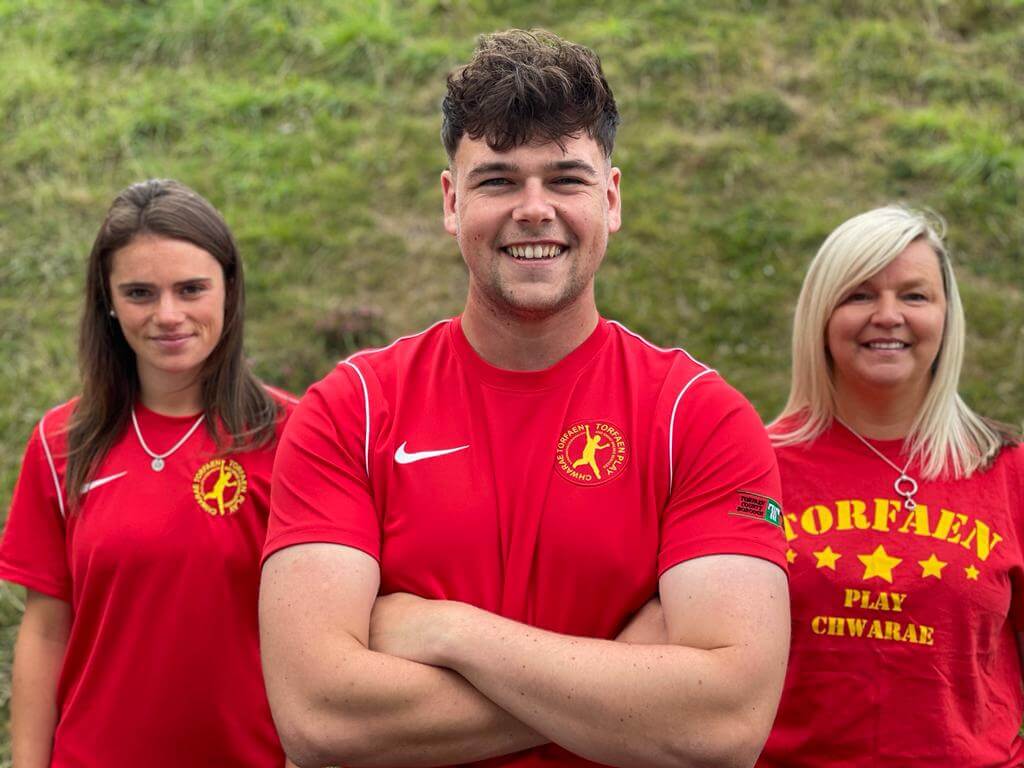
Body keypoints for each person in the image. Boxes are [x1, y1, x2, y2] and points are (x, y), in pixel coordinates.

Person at [261, 29, 790, 768]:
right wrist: (621, 685)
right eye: (499, 180)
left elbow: (725, 726)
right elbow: (319, 718)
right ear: (452, 202)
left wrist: (448, 632)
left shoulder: (699, 418)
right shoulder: (351, 411)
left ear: (611, 199)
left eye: (566, 179)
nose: (534, 209)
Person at [0, 179, 296, 767]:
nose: (168, 315)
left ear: (229, 291)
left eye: (191, 289)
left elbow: (322, 632)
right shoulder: (61, 443)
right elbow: (45, 633)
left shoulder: (295, 437)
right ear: (107, 301)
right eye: (139, 293)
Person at [758, 206, 1023, 767]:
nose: (887, 315)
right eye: (858, 295)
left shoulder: (1009, 472)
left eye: (914, 296)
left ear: (947, 316)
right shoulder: (751, 465)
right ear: (820, 315)